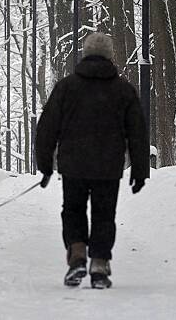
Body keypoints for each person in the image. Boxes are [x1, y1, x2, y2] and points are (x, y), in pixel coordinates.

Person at [35, 32, 149, 289]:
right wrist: (140, 170)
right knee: (104, 214)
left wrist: (45, 166)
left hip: (74, 165)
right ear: (110, 56)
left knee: (72, 210)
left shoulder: (66, 87)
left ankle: (77, 253)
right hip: (108, 167)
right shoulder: (123, 90)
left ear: (85, 54)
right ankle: (98, 263)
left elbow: (47, 128)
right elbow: (138, 132)